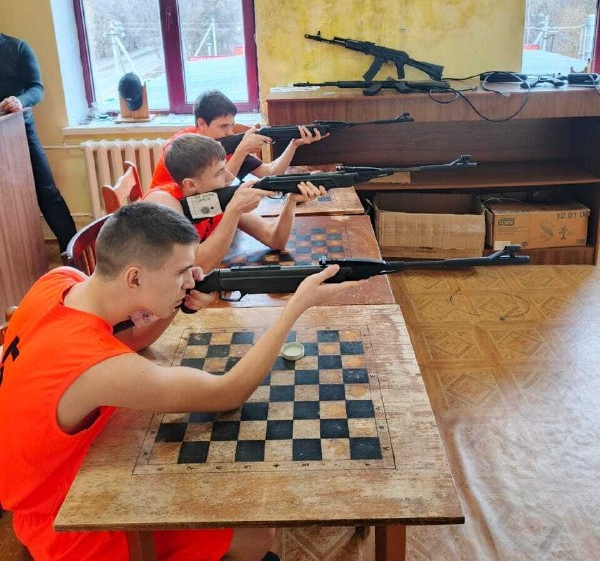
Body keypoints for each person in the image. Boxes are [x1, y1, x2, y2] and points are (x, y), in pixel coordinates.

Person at [0, 202, 357, 560]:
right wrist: (296, 307)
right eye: (182, 272)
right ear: (134, 278)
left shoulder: (60, 280)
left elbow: (133, 341)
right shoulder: (97, 368)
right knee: (257, 534)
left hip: (47, 479)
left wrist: (177, 302)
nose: (192, 279)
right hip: (64, 518)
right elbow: (228, 392)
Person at [145, 133, 325, 273]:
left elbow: (274, 239)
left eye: (225, 167)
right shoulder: (162, 203)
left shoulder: (213, 197)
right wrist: (234, 210)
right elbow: (197, 265)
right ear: (190, 184)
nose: (230, 176)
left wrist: (291, 200)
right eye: (219, 173)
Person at [150, 90, 326, 188]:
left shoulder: (225, 143)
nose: (230, 132)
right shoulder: (183, 146)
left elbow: (270, 172)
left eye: (232, 125)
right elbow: (218, 188)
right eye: (223, 126)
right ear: (201, 124)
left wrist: (293, 144)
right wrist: (242, 150)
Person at [0, 33, 76, 252]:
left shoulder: (18, 48)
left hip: (22, 133)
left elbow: (37, 88)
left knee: (48, 194)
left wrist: (19, 101)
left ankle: (74, 255)